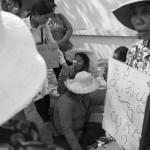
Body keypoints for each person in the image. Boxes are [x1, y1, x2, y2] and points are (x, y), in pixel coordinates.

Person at [0, 4, 63, 150]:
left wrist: (62, 61)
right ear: (34, 14)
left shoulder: (43, 26)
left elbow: (52, 44)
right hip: (20, 73)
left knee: (41, 99)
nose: (48, 20)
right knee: (20, 107)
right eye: (45, 16)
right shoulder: (21, 28)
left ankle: (48, 125)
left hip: (30, 70)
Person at [112, 0, 150, 149]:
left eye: (146, 11)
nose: (138, 20)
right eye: (134, 13)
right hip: (136, 131)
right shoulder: (134, 51)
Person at [52, 71, 105, 150]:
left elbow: (98, 100)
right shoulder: (66, 102)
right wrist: (77, 148)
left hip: (80, 130)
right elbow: (67, 130)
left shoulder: (84, 97)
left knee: (102, 130)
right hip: (64, 136)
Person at [48, 0, 73, 80]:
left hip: (66, 47)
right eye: (49, 7)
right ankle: (62, 90)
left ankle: (73, 89)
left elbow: (69, 28)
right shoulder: (44, 21)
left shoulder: (60, 16)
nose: (52, 9)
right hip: (54, 50)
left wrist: (63, 40)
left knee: (70, 70)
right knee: (59, 73)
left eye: (53, 7)